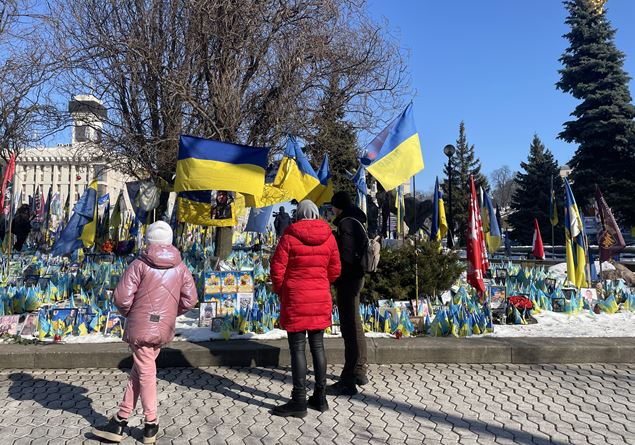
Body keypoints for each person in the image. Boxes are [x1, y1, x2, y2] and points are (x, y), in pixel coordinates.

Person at [93, 221, 197, 444]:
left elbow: (121, 297)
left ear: (149, 240)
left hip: (141, 325)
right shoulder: (180, 266)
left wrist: (133, 313)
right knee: (140, 370)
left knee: (146, 372)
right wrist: (171, 312)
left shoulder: (139, 264)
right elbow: (191, 299)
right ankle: (120, 419)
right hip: (163, 327)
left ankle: (151, 423)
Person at [270, 200, 341, 417]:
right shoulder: (329, 237)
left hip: (296, 298)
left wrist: (283, 291)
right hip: (319, 297)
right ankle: (320, 397)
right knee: (318, 347)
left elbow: (277, 268)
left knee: (297, 349)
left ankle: (299, 400)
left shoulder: (289, 237)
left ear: (298, 215)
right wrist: (321, 283)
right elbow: (335, 269)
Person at [329, 191, 368, 396]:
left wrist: (335, 241)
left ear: (338, 207)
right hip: (357, 278)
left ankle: (349, 377)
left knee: (349, 327)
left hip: (348, 280)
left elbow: (345, 257)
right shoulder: (358, 219)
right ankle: (360, 369)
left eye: (333, 207)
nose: (332, 210)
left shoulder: (346, 223)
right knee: (355, 323)